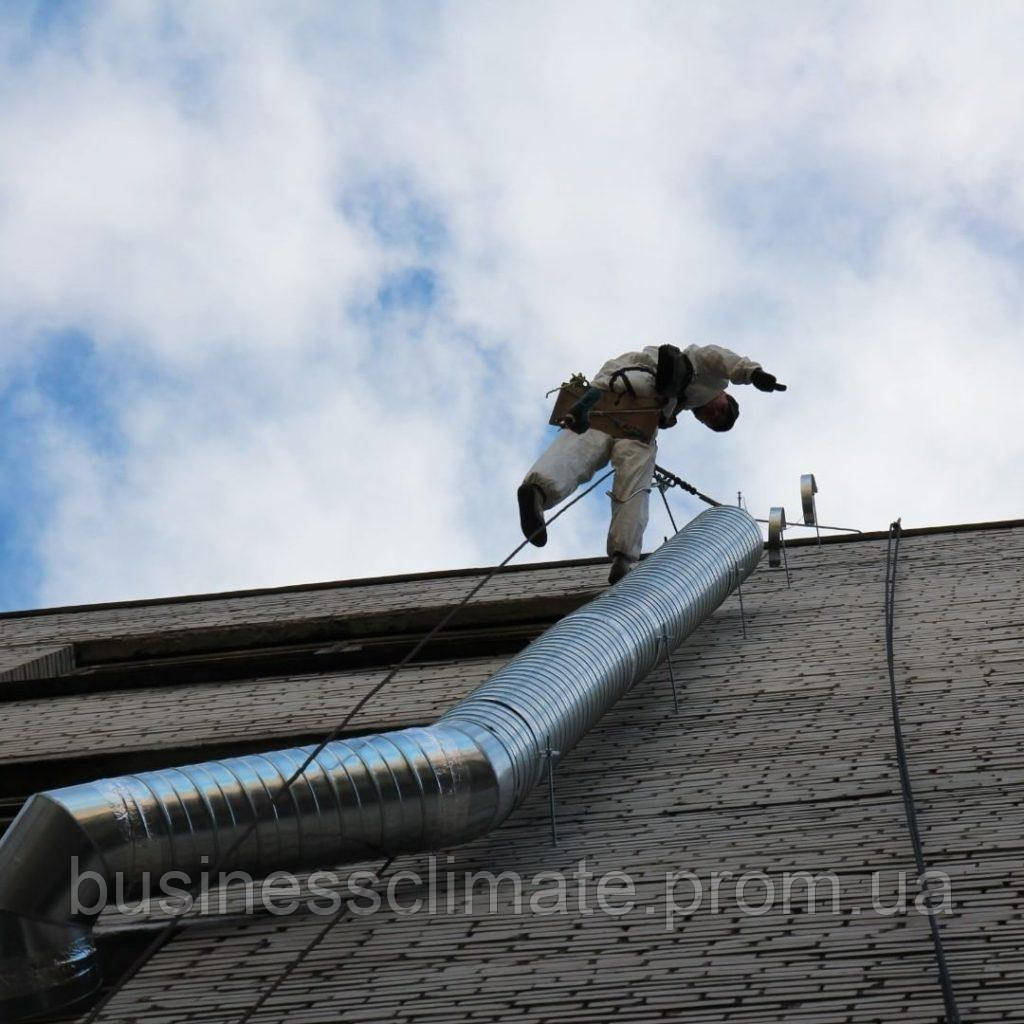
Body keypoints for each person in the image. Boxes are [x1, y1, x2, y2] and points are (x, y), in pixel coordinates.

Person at [517, 344, 786, 583]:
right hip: (643, 393)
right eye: (721, 410)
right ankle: (624, 557)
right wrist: (753, 374)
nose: (712, 415)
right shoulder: (706, 373)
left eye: (711, 421)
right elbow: (720, 357)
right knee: (636, 478)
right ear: (724, 396)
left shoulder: (683, 401)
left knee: (580, 449)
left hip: (614, 391)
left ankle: (537, 491)